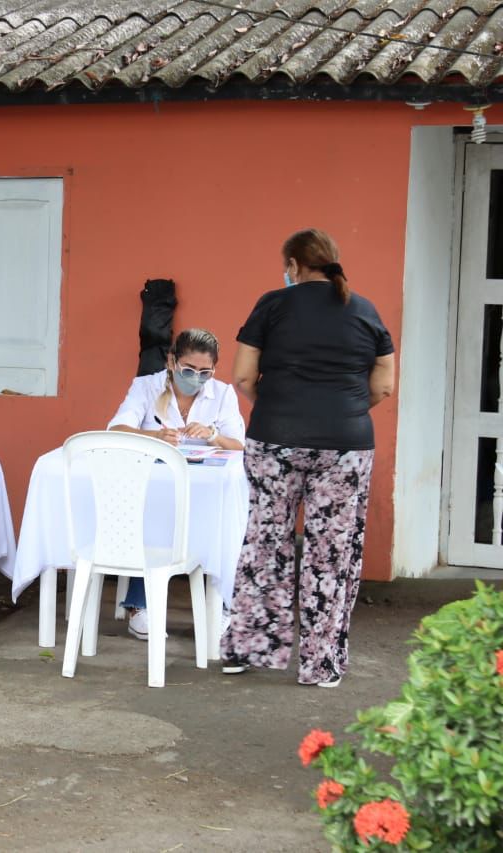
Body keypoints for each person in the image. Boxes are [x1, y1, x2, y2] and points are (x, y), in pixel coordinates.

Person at [221, 228, 395, 687]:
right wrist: (345, 412)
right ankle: (321, 666)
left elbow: (242, 377)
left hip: (274, 441)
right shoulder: (365, 310)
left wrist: (276, 409)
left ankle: (249, 650)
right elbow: (384, 385)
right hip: (346, 445)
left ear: (294, 266)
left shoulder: (272, 304)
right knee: (331, 555)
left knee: (266, 542)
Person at [107, 328, 246, 640]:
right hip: (151, 493)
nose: (195, 378)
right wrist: (154, 437)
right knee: (153, 522)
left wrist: (213, 435)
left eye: (204, 372)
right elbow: (116, 429)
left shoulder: (221, 394)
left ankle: (221, 605)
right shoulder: (147, 386)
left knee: (224, 522)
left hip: (203, 493)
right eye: (187, 369)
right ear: (171, 361)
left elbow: (239, 445)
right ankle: (139, 605)